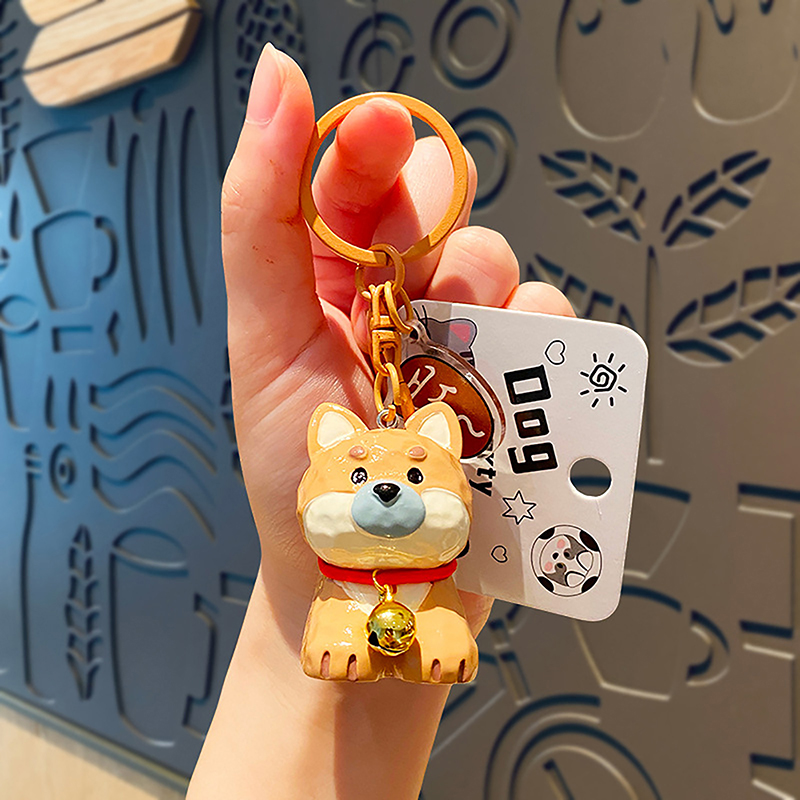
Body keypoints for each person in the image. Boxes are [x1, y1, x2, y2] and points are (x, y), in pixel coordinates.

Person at [186, 43, 574, 800]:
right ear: (329, 451)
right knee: (340, 625)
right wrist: (300, 606)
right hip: (337, 601)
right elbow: (323, 609)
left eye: (417, 474)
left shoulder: (437, 545)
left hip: (427, 589)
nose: (387, 490)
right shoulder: (329, 545)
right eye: (360, 474)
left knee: (437, 623)